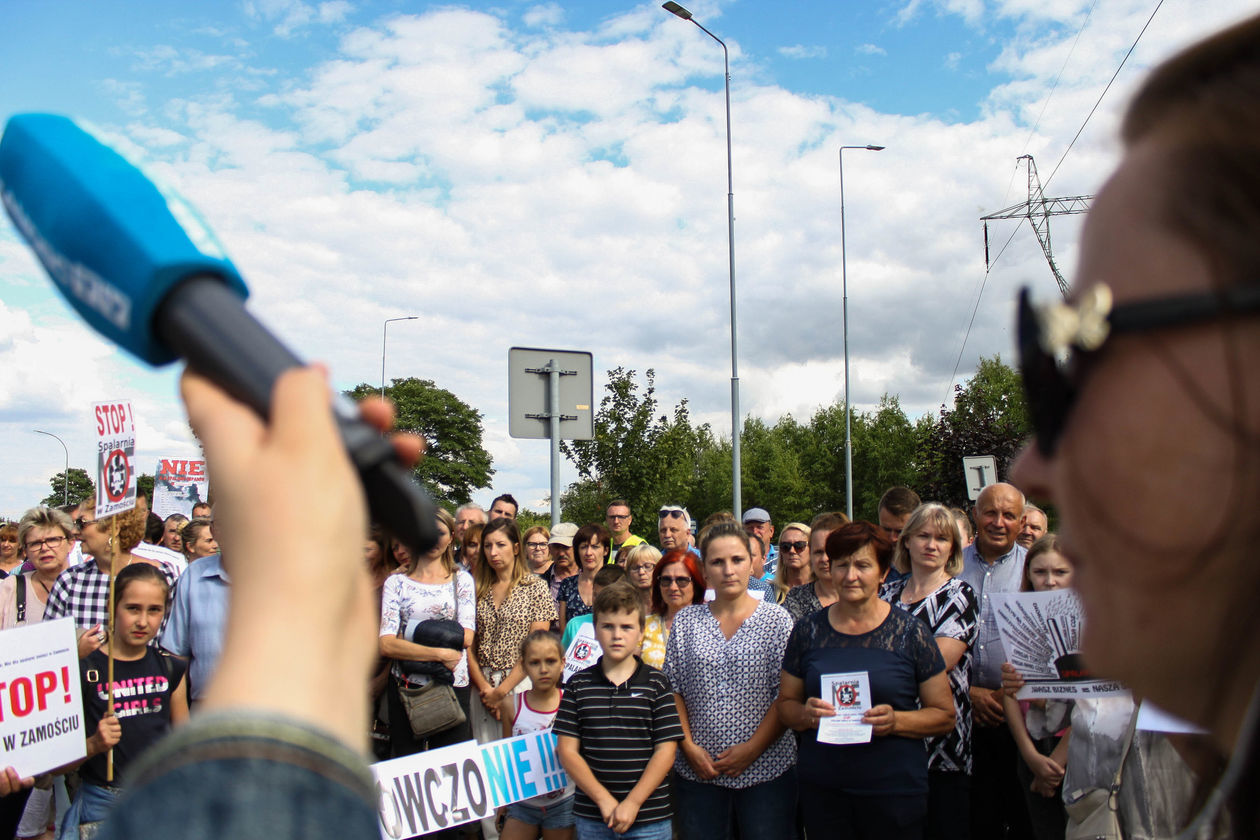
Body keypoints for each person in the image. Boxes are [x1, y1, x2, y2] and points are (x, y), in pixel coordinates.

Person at [778, 521, 954, 840]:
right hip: (825, 790)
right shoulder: (807, 632)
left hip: (894, 791)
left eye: (862, 565)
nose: (850, 575)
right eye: (842, 565)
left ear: (883, 572)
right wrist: (805, 715)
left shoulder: (910, 633)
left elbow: (944, 715)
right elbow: (785, 705)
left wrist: (896, 721)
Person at [664, 523, 796, 839]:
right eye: (717, 562)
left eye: (737, 560)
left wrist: (752, 749)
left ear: (751, 563)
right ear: (705, 570)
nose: (728, 570)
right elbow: (674, 690)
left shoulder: (777, 620)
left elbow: (786, 696)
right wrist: (688, 747)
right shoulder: (687, 621)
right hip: (699, 771)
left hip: (767, 770)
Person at [61, 562, 189, 838]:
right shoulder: (86, 668)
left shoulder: (171, 669)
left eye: (154, 610)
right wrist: (94, 744)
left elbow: (185, 748)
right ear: (112, 607)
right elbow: (59, 762)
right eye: (133, 608)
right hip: (101, 807)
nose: (143, 621)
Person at [880, 503, 979, 840]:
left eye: (942, 538)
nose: (931, 544)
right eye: (923, 535)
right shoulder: (886, 594)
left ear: (953, 547)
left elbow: (938, 661)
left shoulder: (960, 595)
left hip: (942, 747)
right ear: (906, 541)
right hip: (888, 743)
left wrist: (882, 663)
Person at [554, 583, 683, 839]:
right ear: (595, 630)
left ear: (640, 632)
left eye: (626, 627)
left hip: (650, 816)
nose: (617, 635)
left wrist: (633, 802)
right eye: (608, 626)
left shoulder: (657, 683)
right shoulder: (578, 685)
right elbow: (567, 751)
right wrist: (603, 800)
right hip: (593, 814)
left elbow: (666, 751)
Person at [378, 507, 476, 824]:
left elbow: (466, 636)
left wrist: (412, 639)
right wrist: (437, 652)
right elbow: (386, 642)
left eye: (441, 533)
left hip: (452, 688)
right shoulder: (397, 583)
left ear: (451, 538)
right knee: (407, 777)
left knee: (451, 780)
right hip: (407, 688)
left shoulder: (462, 581)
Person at [469, 517, 558, 839]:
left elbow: (538, 644)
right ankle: (493, 834)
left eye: (501, 545)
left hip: (520, 684)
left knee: (520, 764)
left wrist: (502, 691)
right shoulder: (475, 587)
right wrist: (485, 689)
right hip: (481, 684)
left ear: (516, 547)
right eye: (488, 545)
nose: (493, 552)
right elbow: (469, 645)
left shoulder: (535, 586)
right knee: (486, 765)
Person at [956, 481, 1030, 840]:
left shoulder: (1034, 570)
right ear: (975, 515)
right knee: (973, 817)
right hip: (959, 711)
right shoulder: (951, 565)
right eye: (990, 512)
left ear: (1021, 521)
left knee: (1019, 814)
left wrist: (1004, 696)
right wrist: (969, 692)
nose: (998, 522)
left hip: (1019, 714)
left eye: (1009, 515)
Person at [0, 507, 75, 838]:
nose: (45, 548)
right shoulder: (9, 590)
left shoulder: (87, 585)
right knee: (28, 824)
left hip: (77, 717)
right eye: (35, 543)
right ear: (24, 550)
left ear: (70, 542)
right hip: (24, 725)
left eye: (53, 540)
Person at [1001, 535, 1071, 840]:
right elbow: (1011, 693)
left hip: (1076, 749)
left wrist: (1054, 765)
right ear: (1028, 574)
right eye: (1040, 572)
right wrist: (1030, 756)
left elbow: (1094, 702)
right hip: (1032, 745)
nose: (1050, 581)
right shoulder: (1019, 619)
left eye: (1060, 572)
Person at [44, 502, 176, 650]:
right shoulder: (70, 581)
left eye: (82, 523)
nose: (74, 531)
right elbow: (49, 647)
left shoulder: (162, 576)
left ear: (114, 528)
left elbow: (173, 645)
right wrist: (77, 653)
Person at [496, 631, 576, 840]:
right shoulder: (511, 705)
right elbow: (507, 756)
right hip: (523, 804)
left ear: (562, 663)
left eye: (550, 661)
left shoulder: (572, 704)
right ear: (523, 666)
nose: (543, 670)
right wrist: (504, 802)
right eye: (534, 663)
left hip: (563, 802)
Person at [640, 550, 705, 668]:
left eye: (682, 580)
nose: (673, 587)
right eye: (666, 580)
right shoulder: (643, 626)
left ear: (696, 584)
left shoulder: (711, 627)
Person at [782, 512, 847, 622]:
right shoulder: (797, 598)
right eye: (818, 552)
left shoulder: (864, 595)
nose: (824, 558)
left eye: (830, 551)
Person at [560, 565, 628, 653]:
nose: (599, 601)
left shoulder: (627, 628)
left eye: (605, 597)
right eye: (595, 595)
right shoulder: (574, 625)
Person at [556, 525, 611, 631]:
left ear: (606, 550)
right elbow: (564, 630)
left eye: (595, 547)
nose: (588, 553)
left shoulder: (615, 582)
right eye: (584, 547)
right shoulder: (567, 584)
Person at [769, 522, 812, 605]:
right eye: (786, 546)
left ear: (812, 548)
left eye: (799, 545)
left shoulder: (823, 590)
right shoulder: (769, 591)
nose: (792, 551)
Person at [622, 544, 661, 615]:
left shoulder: (668, 604)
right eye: (635, 568)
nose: (641, 572)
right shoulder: (623, 606)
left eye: (648, 566)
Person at [741, 508, 776, 579]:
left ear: (771, 531)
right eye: (750, 528)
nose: (754, 532)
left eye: (759, 527)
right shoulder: (736, 559)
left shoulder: (784, 558)